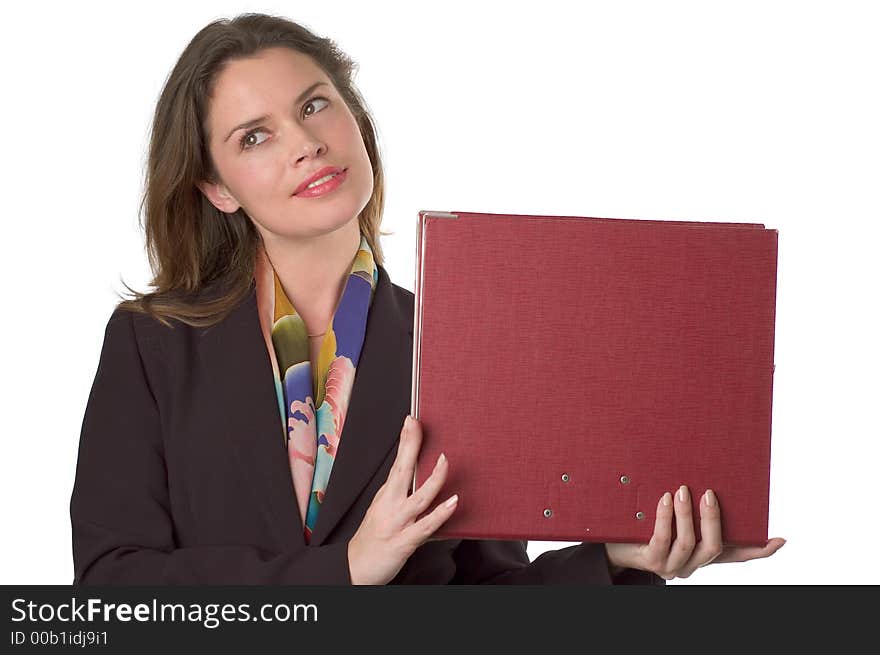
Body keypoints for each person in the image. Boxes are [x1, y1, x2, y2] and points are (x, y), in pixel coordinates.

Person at [69, 12, 785, 585]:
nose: (306, 144)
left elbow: (488, 595)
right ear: (217, 187)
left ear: (354, 118)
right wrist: (343, 572)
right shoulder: (151, 343)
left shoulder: (453, 335)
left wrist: (618, 558)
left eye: (315, 105)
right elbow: (112, 585)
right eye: (255, 136)